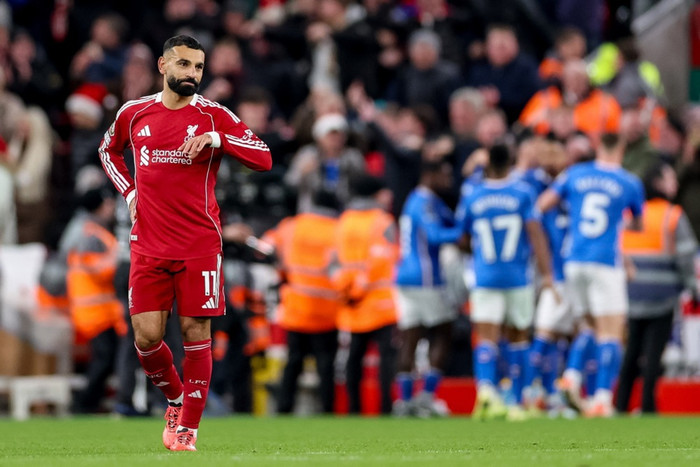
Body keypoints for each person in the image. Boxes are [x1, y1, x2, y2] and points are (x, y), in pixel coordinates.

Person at [98, 35, 271, 451]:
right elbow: (108, 151)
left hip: (199, 245)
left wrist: (217, 140)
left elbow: (263, 157)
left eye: (198, 67)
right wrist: (130, 193)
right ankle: (176, 399)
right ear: (163, 66)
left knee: (196, 333)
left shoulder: (214, 115)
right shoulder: (134, 112)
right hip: (148, 244)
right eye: (184, 64)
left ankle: (188, 428)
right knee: (146, 338)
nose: (192, 73)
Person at [537, 132, 644, 417]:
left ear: (598, 147)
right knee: (612, 331)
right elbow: (637, 224)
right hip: (604, 262)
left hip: (573, 261)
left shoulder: (575, 174)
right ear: (621, 148)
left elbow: (542, 205)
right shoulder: (629, 182)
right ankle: (602, 399)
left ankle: (571, 378)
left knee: (588, 327)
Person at [458, 144, 554, 421]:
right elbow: (535, 232)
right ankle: (516, 402)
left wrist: (475, 254)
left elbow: (462, 236)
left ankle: (486, 394)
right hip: (517, 276)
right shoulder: (523, 192)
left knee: (486, 337)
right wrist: (547, 274)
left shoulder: (473, 194)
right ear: (511, 161)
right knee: (519, 338)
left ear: (488, 162)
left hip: (485, 276)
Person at [617, 162, 698, 414]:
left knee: (631, 351)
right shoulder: (672, 215)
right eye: (670, 178)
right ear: (658, 183)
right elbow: (685, 258)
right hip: (662, 295)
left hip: (631, 293)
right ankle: (648, 406)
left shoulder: (630, 213)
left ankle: (620, 404)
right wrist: (693, 289)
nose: (675, 183)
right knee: (654, 353)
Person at [261, 190, 341, 415]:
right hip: (327, 310)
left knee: (293, 362)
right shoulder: (338, 230)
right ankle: (327, 410)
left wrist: (282, 271)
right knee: (326, 365)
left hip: (296, 307)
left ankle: (284, 409)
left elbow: (265, 247)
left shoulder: (291, 226)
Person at [393, 159, 461, 417]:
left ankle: (404, 401)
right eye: (444, 174)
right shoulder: (424, 203)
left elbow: (450, 220)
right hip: (425, 276)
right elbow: (435, 235)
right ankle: (426, 396)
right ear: (430, 175)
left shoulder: (418, 200)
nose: (448, 180)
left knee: (410, 338)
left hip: (404, 276)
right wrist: (464, 232)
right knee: (444, 330)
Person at [332, 175, 399, 415]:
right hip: (380, 302)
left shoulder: (344, 221)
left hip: (351, 302)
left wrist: (346, 290)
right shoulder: (383, 221)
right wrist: (362, 286)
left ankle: (354, 410)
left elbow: (333, 260)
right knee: (386, 359)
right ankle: (385, 409)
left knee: (354, 358)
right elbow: (385, 257)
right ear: (376, 194)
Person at [66, 187, 126, 413]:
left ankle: (89, 401)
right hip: (94, 310)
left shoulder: (91, 230)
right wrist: (121, 261)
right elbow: (96, 269)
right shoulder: (90, 234)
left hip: (99, 310)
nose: (111, 208)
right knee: (105, 357)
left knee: (106, 357)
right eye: (108, 203)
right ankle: (85, 402)